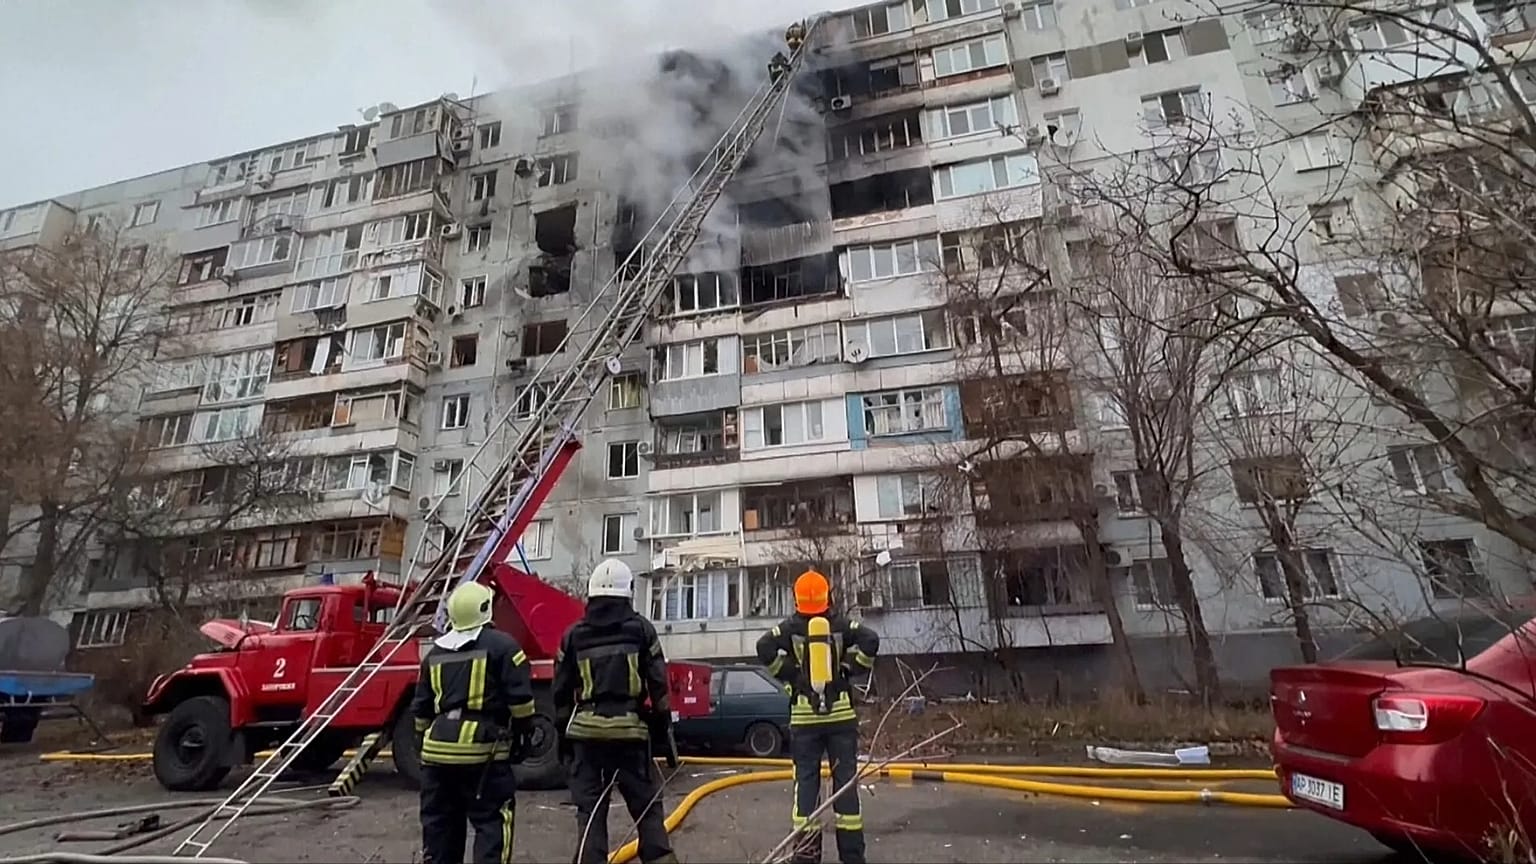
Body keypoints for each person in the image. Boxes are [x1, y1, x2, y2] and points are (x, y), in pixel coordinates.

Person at [553, 559, 680, 864]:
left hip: (586, 738)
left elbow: (560, 693)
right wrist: (662, 732)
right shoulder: (642, 630)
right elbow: (659, 686)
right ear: (628, 592)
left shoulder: (573, 636)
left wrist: (565, 740)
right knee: (648, 814)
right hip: (631, 737)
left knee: (591, 815)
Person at [755, 570, 880, 864]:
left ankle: (806, 857)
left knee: (807, 788)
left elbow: (764, 647)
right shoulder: (840, 625)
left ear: (796, 598)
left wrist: (793, 676)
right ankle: (852, 858)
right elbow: (870, 640)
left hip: (805, 719)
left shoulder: (791, 627)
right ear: (827, 596)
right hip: (840, 719)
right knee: (846, 788)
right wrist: (848, 670)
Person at [411, 580, 538, 864]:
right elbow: (521, 702)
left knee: (440, 827)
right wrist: (523, 737)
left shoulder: (434, 654)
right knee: (492, 822)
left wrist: (422, 744)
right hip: (483, 755)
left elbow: (420, 710)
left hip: (437, 756)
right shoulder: (504, 646)